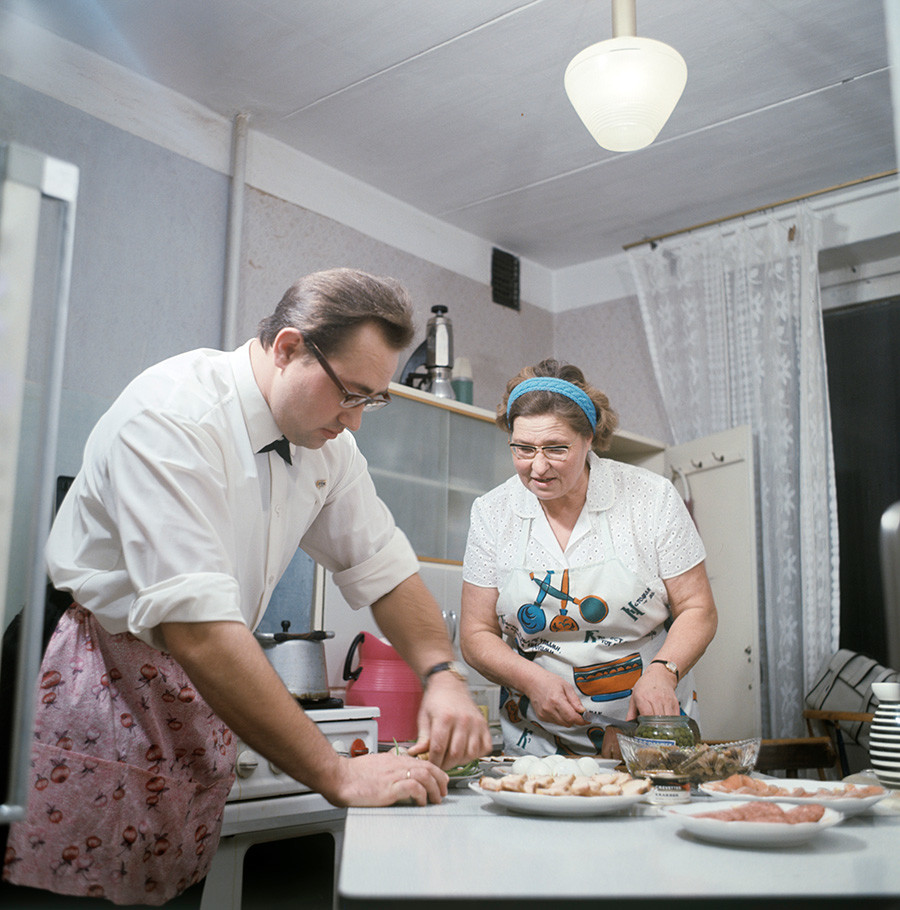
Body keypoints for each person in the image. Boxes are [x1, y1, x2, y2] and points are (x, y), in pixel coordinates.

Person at [2, 268, 490, 905]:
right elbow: (200, 634)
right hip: (98, 678)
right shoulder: (173, 417)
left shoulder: (327, 445)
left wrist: (441, 673)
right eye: (349, 393)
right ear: (288, 347)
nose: (356, 421)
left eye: (373, 399)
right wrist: (336, 772)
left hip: (196, 695)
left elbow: (384, 566)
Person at [459, 359, 717, 758]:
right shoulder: (493, 512)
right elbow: (476, 635)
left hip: (649, 732)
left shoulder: (650, 498)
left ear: (590, 439)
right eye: (523, 449)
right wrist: (530, 679)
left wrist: (663, 671)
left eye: (556, 449)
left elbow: (698, 608)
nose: (538, 467)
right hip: (537, 738)